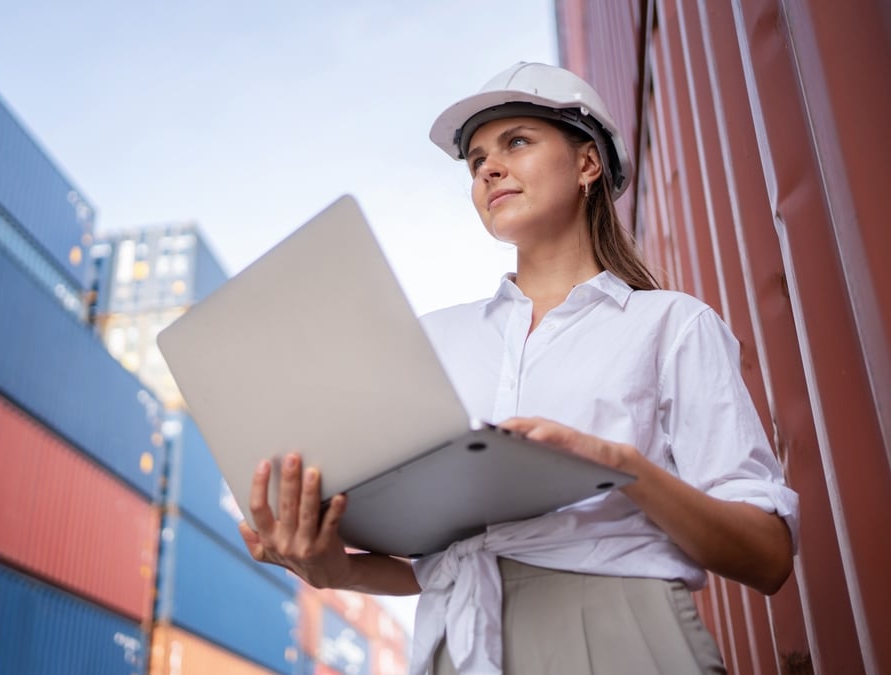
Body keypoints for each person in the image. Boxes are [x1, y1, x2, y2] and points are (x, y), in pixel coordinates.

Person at [238, 62, 799, 675]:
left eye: (517, 142)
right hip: (456, 647)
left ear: (588, 164)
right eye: (477, 161)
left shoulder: (670, 325)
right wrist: (330, 565)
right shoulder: (434, 338)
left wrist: (619, 465)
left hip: (614, 629)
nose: (489, 170)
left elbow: (766, 556)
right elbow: (432, 559)